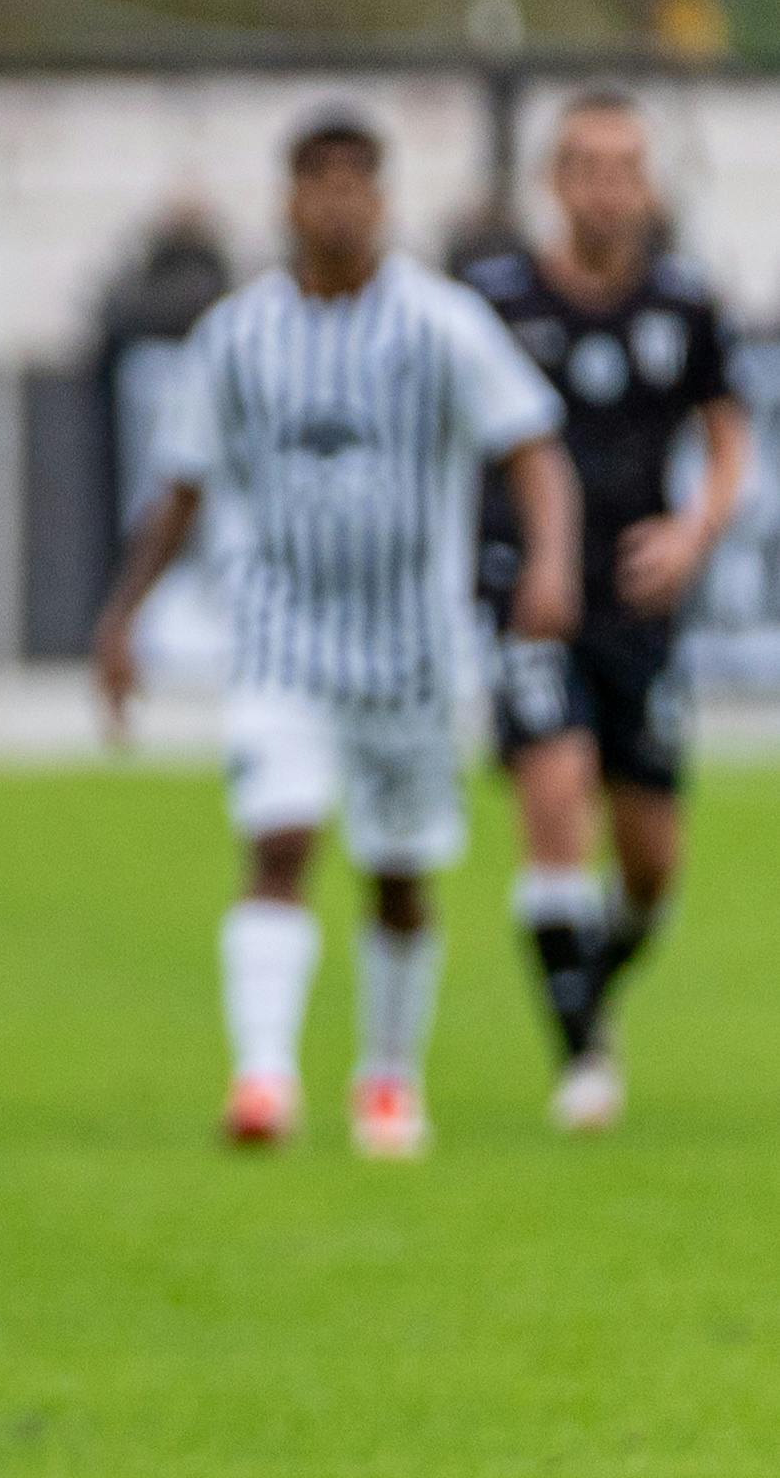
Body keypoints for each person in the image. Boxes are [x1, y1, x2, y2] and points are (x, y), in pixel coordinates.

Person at [94, 109, 576, 1157]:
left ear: (384, 198)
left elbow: (533, 446)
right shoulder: (237, 336)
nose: (340, 201)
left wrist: (551, 560)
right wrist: (122, 616)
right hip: (282, 641)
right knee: (279, 841)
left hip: (410, 651)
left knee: (398, 875)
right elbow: (180, 486)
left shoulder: (440, 325)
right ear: (290, 198)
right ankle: (263, 1079)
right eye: (321, 181)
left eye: (360, 181)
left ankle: (388, 1078)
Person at [456, 89, 749, 1130]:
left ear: (648, 184)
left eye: (627, 168)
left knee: (652, 863)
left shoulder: (684, 304)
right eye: (589, 166)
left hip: (639, 599)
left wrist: (692, 534)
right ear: (555, 180)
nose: (610, 188)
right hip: (530, 590)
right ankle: (581, 1060)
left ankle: (589, 983)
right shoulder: (493, 303)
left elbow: (728, 438)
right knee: (555, 789)